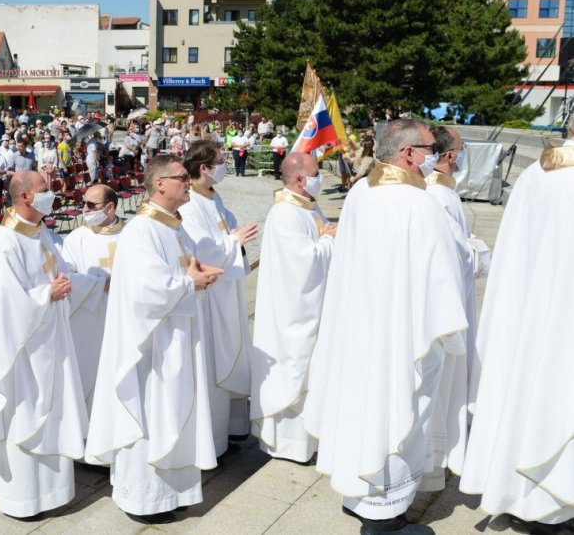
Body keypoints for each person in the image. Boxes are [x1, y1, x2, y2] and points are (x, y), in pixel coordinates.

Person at [302, 119, 468, 535]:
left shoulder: (361, 191)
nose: (434, 155)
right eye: (430, 148)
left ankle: (358, 496)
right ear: (409, 153)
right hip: (403, 333)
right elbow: (441, 274)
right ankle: (384, 515)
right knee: (400, 410)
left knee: (361, 408)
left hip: (360, 326)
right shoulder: (421, 202)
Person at [86, 155, 223, 524]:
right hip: (150, 345)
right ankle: (144, 498)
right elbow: (145, 290)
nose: (188, 183)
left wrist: (198, 272)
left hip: (175, 334)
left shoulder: (174, 227)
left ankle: (174, 492)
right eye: (181, 178)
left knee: (176, 411)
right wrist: (189, 282)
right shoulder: (142, 230)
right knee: (152, 414)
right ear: (160, 183)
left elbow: (182, 268)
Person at [458, 127, 574, 531]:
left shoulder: (534, 175)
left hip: (526, 311)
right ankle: (552, 506)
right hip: (563, 318)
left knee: (521, 390)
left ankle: (511, 489)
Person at [0, 171, 99, 519]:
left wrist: (90, 284)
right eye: (45, 190)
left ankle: (54, 492)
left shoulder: (41, 231)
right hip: (23, 349)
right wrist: (48, 293)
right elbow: (4, 303)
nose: (53, 194)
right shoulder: (6, 242)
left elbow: (61, 272)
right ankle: (24, 499)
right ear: (26, 197)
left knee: (54, 410)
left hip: (51, 338)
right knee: (27, 414)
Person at [250, 153, 335, 463]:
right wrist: (327, 243)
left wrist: (328, 239)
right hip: (292, 312)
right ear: (300, 179)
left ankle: (309, 439)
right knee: (294, 368)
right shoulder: (285, 213)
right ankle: (286, 444)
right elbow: (302, 265)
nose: (320, 177)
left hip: (312, 307)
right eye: (316, 172)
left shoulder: (310, 205)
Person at [181, 142, 259, 457]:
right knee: (216, 363)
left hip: (228, 291)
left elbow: (227, 231)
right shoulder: (189, 206)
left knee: (235, 354)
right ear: (204, 167)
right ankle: (213, 437)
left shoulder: (214, 197)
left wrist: (234, 241)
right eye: (219, 161)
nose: (224, 165)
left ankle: (233, 426)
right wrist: (234, 242)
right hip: (210, 296)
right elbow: (200, 251)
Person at [426, 126, 489, 380]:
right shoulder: (437, 194)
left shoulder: (440, 190)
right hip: (444, 299)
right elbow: (454, 252)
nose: (463, 154)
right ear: (450, 156)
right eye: (461, 148)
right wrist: (480, 249)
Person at [59, 184, 123, 416]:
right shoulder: (77, 238)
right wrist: (99, 285)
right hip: (91, 318)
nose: (84, 209)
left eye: (90, 205)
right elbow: (67, 276)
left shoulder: (131, 235)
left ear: (109, 207)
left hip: (125, 315)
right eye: (83, 203)